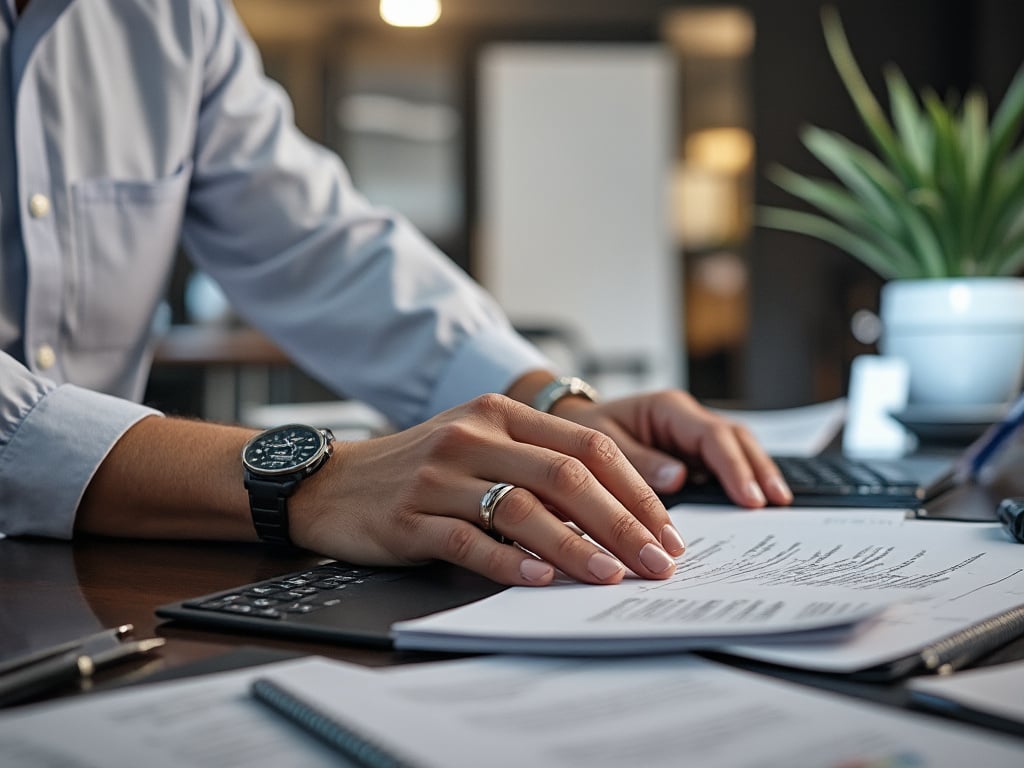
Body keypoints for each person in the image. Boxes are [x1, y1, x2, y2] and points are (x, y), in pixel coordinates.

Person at [0, 0, 792, 588]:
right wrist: (310, 481)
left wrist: (546, 407)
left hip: (87, 580)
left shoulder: (173, 17)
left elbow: (315, 245)